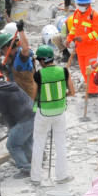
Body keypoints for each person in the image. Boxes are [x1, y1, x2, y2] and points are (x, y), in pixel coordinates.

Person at [30, 45, 73, 184]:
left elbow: (33, 96)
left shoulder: (38, 75)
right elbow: (72, 92)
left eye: (38, 61)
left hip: (43, 113)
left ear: (42, 61)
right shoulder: (64, 71)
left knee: (38, 144)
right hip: (60, 112)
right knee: (60, 144)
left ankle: (35, 178)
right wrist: (60, 95)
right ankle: (62, 176)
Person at [0, 70, 32, 179]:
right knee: (26, 141)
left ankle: (26, 168)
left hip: (23, 120)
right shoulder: (13, 85)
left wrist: (12, 128)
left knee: (12, 145)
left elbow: (6, 114)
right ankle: (35, 161)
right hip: (33, 116)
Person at [67, 0, 98, 97]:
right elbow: (74, 28)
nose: (80, 6)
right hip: (80, 49)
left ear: (88, 4)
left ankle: (93, 92)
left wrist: (83, 38)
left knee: (90, 71)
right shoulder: (76, 14)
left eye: (83, 5)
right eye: (79, 4)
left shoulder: (95, 17)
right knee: (84, 71)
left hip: (91, 50)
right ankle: (95, 87)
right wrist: (69, 39)